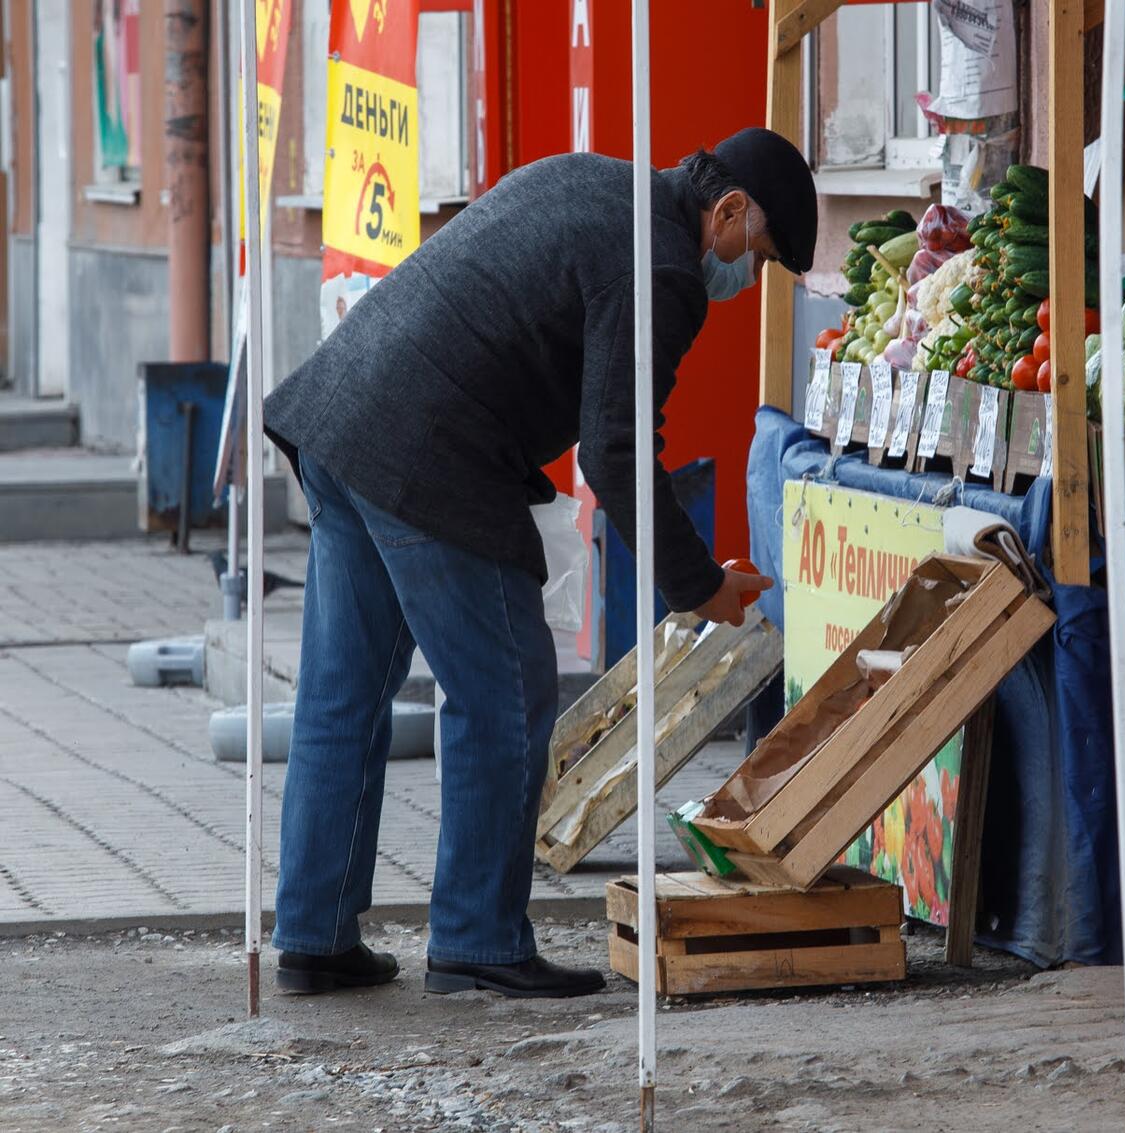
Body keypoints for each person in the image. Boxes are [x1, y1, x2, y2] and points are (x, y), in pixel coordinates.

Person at [261, 128, 817, 998]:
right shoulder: (664, 266)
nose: (752, 278)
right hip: (425, 450)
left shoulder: (600, 180)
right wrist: (699, 585)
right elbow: (618, 447)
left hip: (343, 413)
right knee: (504, 690)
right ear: (731, 210)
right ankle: (478, 939)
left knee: (345, 694)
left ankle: (313, 934)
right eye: (764, 253)